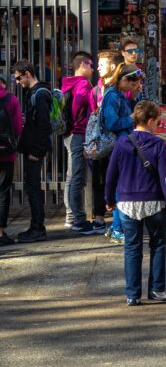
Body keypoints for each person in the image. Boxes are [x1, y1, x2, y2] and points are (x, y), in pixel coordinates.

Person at [105, 100, 166, 305]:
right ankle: (157, 289)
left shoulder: (121, 144)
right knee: (158, 244)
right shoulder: (157, 145)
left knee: (132, 247)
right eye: (156, 121)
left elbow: (111, 175)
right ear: (150, 120)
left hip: (127, 202)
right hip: (154, 202)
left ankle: (132, 294)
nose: (157, 124)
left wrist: (109, 199)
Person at [101, 63, 145, 243]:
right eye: (133, 85)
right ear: (124, 79)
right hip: (119, 146)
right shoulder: (112, 96)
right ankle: (118, 227)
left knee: (122, 186)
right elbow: (112, 122)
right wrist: (131, 119)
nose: (133, 88)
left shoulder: (120, 95)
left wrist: (135, 97)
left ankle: (115, 227)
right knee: (121, 188)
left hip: (124, 144)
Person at [13, 61, 52, 243]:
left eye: (19, 78)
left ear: (27, 74)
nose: (18, 82)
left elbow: (44, 126)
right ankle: (36, 227)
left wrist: (37, 150)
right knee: (32, 187)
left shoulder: (40, 94)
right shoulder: (35, 93)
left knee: (33, 188)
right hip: (32, 148)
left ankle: (38, 228)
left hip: (34, 150)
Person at [61, 51, 95, 234]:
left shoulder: (67, 82)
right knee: (77, 177)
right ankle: (79, 220)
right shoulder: (82, 83)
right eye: (90, 64)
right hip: (78, 133)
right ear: (82, 64)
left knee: (70, 176)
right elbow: (80, 103)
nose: (93, 68)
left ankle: (70, 216)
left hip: (69, 134)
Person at [89, 50, 123, 232]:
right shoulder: (96, 90)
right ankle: (100, 216)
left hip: (116, 144)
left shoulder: (117, 90)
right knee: (99, 179)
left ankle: (118, 223)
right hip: (100, 143)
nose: (98, 68)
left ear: (112, 66)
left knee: (116, 180)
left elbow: (113, 120)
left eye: (101, 64)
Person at [0, 74, 22, 246]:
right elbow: (16, 128)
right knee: (2, 192)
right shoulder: (11, 99)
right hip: (5, 153)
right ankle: (0, 232)